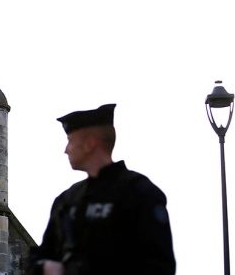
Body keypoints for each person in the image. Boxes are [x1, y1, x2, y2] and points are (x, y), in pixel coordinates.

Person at [30, 104, 175, 275]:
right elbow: (41, 256)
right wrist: (44, 268)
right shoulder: (67, 200)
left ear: (90, 144)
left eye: (70, 141)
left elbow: (159, 266)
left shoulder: (138, 192)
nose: (66, 150)